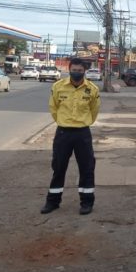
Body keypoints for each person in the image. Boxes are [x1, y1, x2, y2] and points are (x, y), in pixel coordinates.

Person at [41, 58, 101, 215]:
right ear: (69, 69)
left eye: (80, 71)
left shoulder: (92, 89)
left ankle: (87, 203)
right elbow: (53, 108)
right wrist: (63, 122)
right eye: (74, 70)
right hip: (63, 133)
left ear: (84, 71)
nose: (76, 73)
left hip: (83, 133)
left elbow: (94, 111)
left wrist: (83, 122)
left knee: (87, 168)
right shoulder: (58, 87)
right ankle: (52, 202)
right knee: (59, 167)